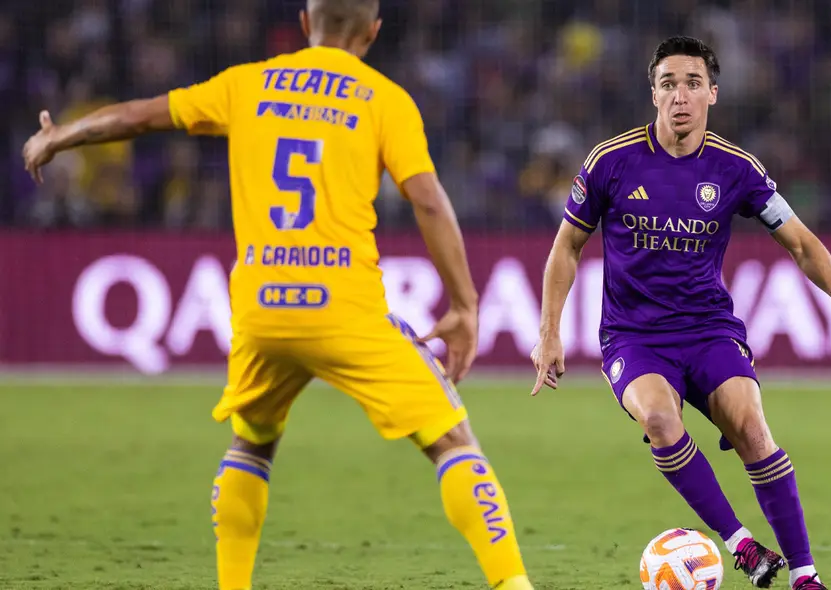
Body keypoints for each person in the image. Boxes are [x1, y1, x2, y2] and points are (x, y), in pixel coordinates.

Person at [22, 1, 534, 589]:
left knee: (252, 441)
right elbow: (427, 200)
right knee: (450, 441)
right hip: (344, 309)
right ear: (373, 32)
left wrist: (61, 136)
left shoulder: (246, 84)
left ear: (303, 23)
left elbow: (139, 117)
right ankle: (513, 585)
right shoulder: (383, 98)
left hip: (262, 308)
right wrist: (466, 306)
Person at [530, 36, 831, 590]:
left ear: (712, 93)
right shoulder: (610, 162)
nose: (680, 95)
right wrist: (548, 334)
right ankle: (742, 546)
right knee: (660, 421)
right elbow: (565, 249)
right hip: (633, 336)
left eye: (693, 83)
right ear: (653, 94)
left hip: (709, 330)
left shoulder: (736, 168)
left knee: (752, 429)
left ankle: (806, 577)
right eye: (668, 84)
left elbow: (801, 243)